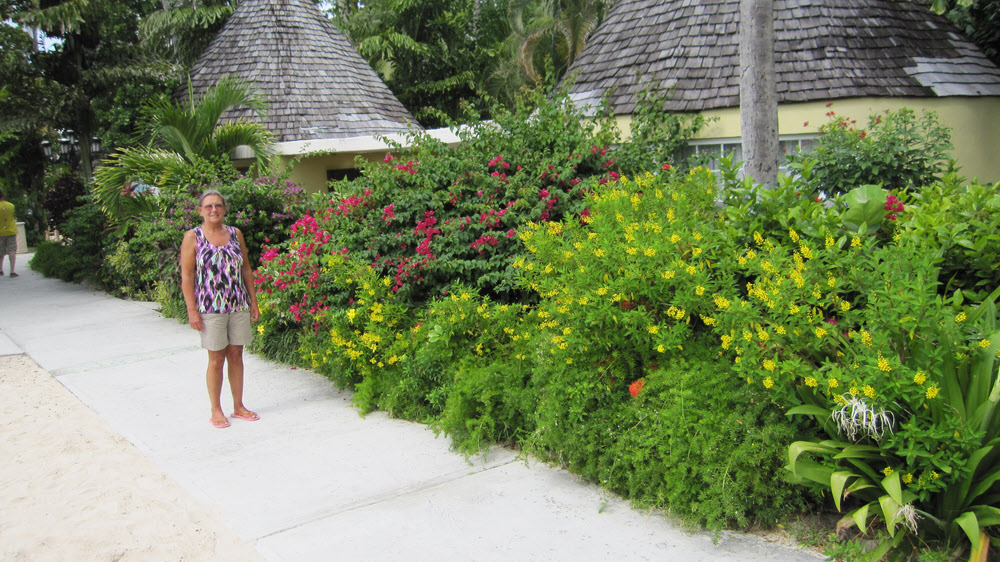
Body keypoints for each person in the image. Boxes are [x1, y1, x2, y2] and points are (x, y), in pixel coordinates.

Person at [180, 190, 261, 428]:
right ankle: (216, 409)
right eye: (208, 207)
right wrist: (192, 311)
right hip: (210, 307)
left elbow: (246, 268)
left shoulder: (236, 234)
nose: (213, 210)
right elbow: (187, 275)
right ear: (200, 211)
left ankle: (239, 406)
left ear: (224, 209)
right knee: (216, 359)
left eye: (217, 205)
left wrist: (253, 301)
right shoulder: (192, 237)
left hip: (237, 304)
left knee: (236, 355)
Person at [0, 188, 18, 278]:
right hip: (11, 231)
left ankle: (0, 269)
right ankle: (12, 271)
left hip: (0, 232)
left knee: (0, 251)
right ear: (3, 195)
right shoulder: (11, 205)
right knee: (12, 250)